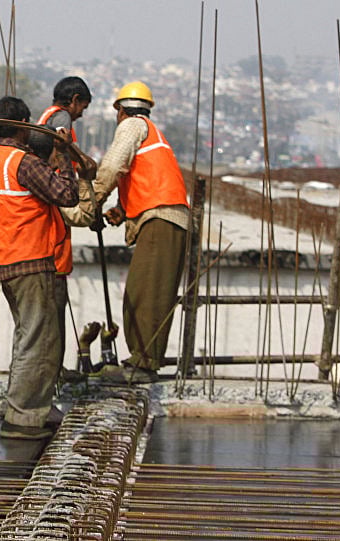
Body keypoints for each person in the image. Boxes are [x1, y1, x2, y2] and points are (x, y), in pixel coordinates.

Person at [0, 97, 78, 440]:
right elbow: (66, 194)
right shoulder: (22, 161)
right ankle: (23, 416)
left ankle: (30, 406)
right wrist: (64, 154)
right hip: (30, 258)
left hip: (5, 257)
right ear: (24, 124)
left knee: (30, 335)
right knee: (37, 339)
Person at [93, 81, 189, 384]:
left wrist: (93, 198)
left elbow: (112, 165)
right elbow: (138, 178)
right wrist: (121, 210)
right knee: (142, 291)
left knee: (147, 294)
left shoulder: (132, 125)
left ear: (120, 110)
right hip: (161, 217)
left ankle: (143, 364)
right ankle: (141, 360)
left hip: (163, 218)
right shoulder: (149, 132)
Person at [36, 76, 99, 370]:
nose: (81, 113)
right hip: (56, 198)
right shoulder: (60, 117)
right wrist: (85, 164)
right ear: (73, 100)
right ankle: (54, 370)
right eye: (82, 107)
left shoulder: (46, 116)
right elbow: (62, 145)